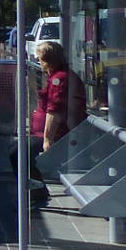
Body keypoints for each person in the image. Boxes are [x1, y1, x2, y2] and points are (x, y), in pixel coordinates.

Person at [28, 39, 87, 205]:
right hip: (53, 133)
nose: (39, 63)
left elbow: (55, 111)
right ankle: (35, 189)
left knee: (20, 153)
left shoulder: (59, 79)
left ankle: (37, 191)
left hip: (61, 135)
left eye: (40, 59)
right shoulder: (57, 76)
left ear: (48, 61)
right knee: (17, 150)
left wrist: (47, 139)